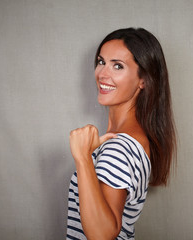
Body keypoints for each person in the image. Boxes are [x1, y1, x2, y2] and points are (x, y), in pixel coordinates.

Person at [66, 28, 176, 240]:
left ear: (143, 80)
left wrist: (82, 158)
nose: (102, 74)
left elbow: (102, 235)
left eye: (118, 66)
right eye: (101, 62)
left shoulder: (118, 147)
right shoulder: (135, 140)